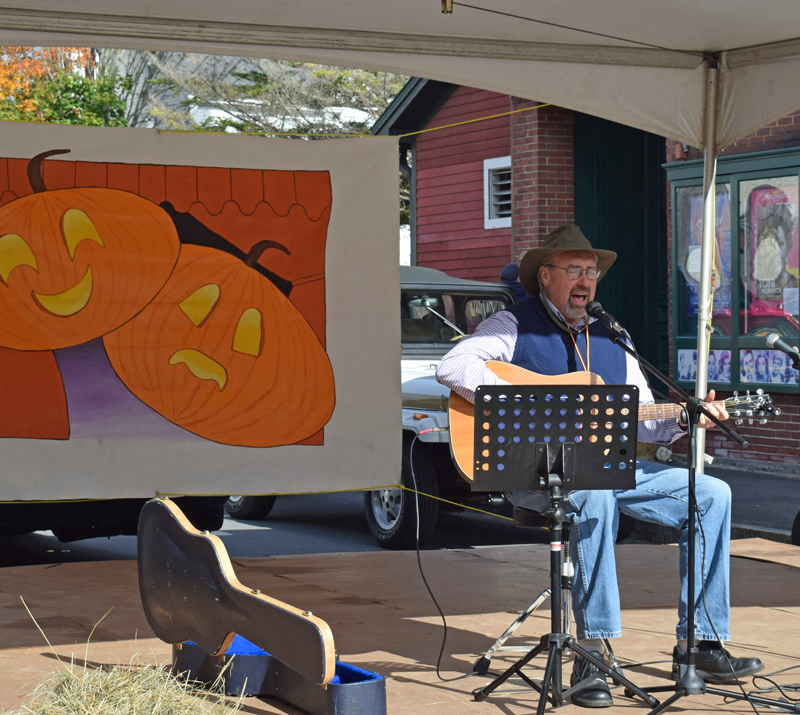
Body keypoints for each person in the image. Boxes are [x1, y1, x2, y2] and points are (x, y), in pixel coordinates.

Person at [436, 225, 764, 708]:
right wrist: (546, 401)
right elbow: (454, 368)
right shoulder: (514, 325)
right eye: (574, 270)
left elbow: (645, 425)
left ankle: (701, 642)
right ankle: (591, 652)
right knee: (594, 492)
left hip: (608, 469)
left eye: (591, 272)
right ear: (545, 276)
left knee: (712, 494)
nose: (584, 280)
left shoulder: (615, 337)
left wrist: (685, 419)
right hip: (535, 474)